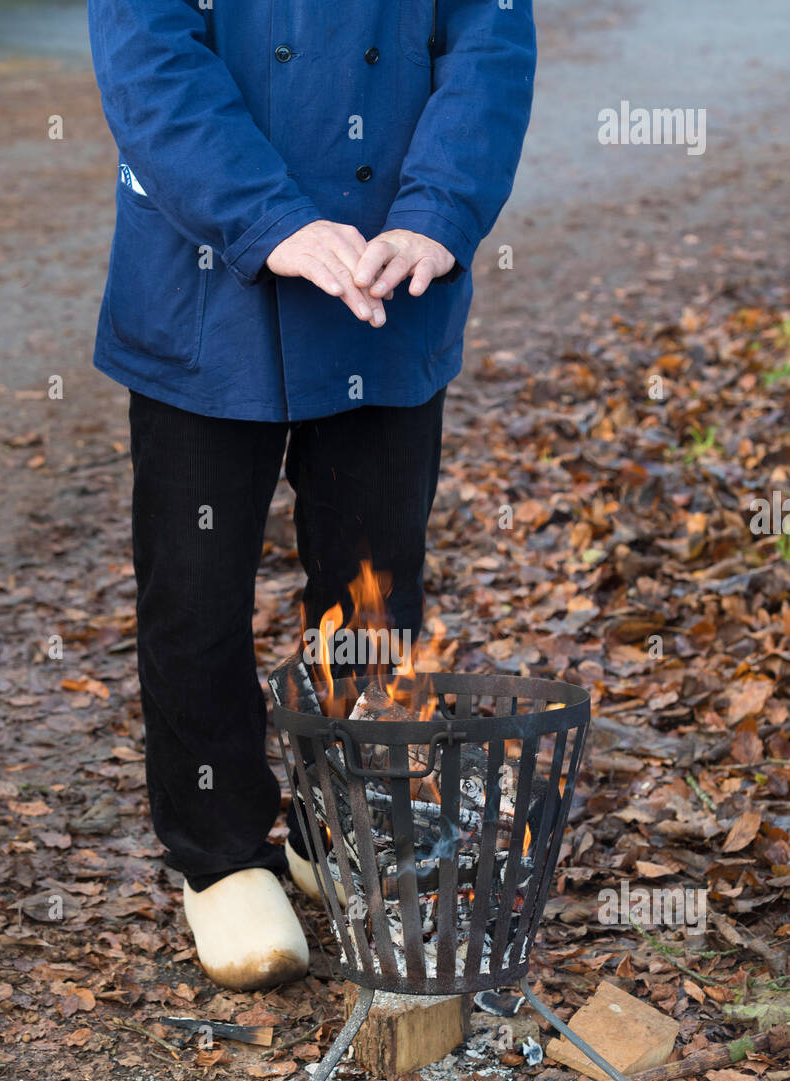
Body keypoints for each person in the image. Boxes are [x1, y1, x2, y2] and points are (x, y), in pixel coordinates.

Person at [87, 0, 537, 989]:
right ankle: (220, 854)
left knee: (371, 580)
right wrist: (269, 219)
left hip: (389, 276)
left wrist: (440, 210)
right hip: (202, 278)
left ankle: (343, 818)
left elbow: (488, 40)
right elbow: (147, 55)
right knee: (196, 591)